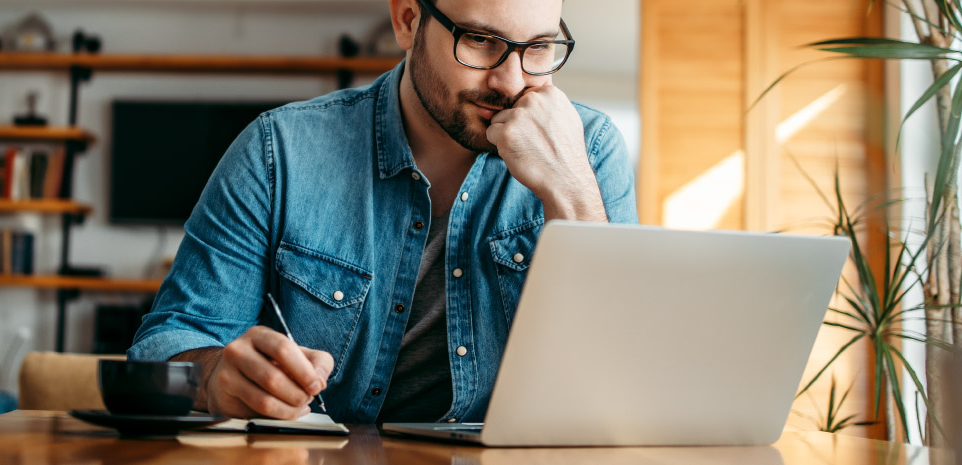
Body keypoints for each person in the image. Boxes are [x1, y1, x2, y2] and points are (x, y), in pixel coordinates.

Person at [127, 0, 637, 424]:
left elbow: (627, 377)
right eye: (481, 41)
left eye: (539, 48)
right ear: (408, 20)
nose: (510, 81)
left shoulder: (589, 151)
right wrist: (215, 375)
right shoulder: (277, 151)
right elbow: (161, 347)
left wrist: (570, 194)